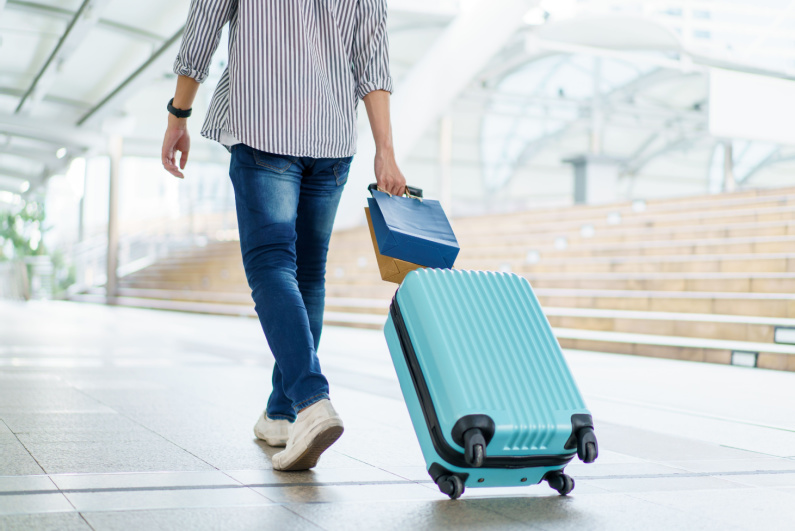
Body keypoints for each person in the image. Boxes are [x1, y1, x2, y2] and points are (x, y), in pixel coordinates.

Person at [161, 0, 406, 471]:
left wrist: (178, 115)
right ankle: (281, 413)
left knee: (272, 265)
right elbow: (372, 58)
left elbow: (202, 31)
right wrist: (385, 152)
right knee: (308, 275)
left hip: (264, 125)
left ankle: (312, 401)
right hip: (332, 139)